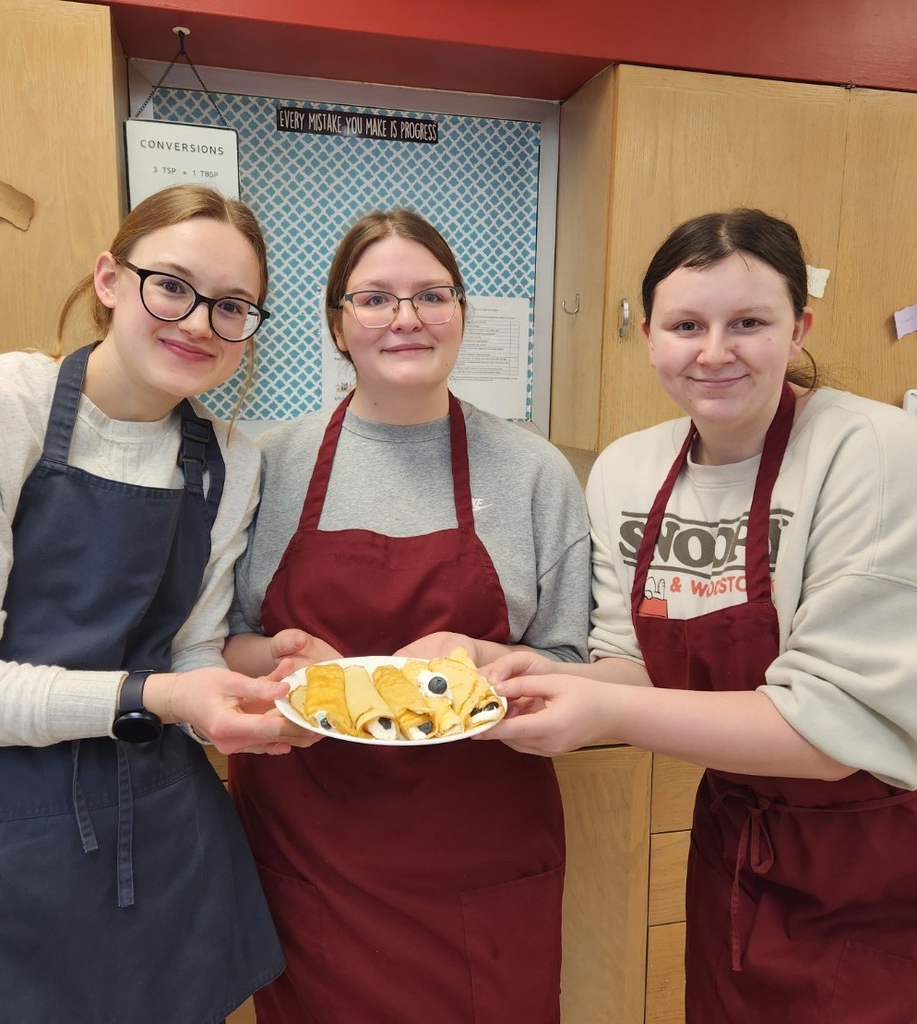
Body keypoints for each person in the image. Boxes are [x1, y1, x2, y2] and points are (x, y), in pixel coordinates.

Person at [0, 184, 316, 1024]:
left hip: (159, 847)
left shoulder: (230, 458)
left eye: (232, 306)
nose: (199, 322)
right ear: (110, 280)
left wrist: (255, 692)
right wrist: (152, 696)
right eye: (173, 286)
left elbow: (191, 653)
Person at [483, 209, 917, 1022]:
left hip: (878, 856)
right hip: (734, 846)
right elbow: (632, 657)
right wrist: (538, 671)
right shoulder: (631, 468)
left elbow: (830, 733)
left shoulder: (873, 451)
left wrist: (604, 707)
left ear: (799, 330)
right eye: (687, 325)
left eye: (749, 322)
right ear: (649, 336)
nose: (714, 351)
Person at [223, 208, 591, 1023]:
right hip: (309, 847)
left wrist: (482, 652)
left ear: (461, 313)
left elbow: (572, 660)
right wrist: (277, 661)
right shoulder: (263, 462)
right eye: (376, 299)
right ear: (337, 323)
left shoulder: (535, 470)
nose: (407, 318)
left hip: (481, 848)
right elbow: (218, 641)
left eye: (432, 295)